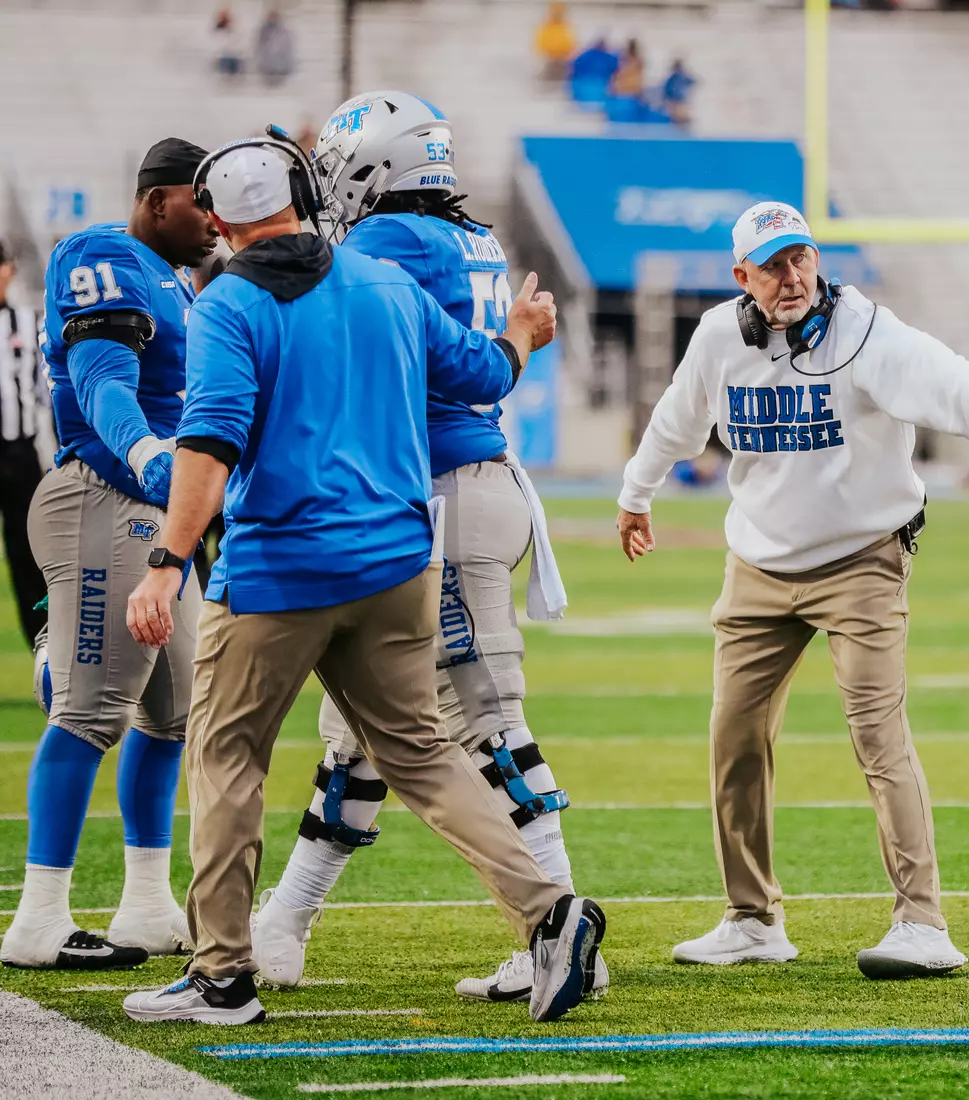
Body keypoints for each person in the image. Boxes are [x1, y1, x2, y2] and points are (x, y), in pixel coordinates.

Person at [117, 131, 602, 1025]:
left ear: (219, 220)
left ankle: (222, 974)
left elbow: (212, 439)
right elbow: (485, 373)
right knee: (423, 755)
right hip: (397, 564)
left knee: (226, 759)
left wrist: (165, 563)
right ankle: (551, 912)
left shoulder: (229, 301)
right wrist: (523, 333)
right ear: (302, 193)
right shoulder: (390, 283)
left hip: (281, 567)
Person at [618, 201, 969, 977]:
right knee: (733, 739)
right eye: (773, 264)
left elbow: (956, 385)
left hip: (861, 561)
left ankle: (923, 924)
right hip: (759, 565)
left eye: (801, 257)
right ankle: (752, 918)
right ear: (742, 277)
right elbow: (677, 416)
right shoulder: (715, 339)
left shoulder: (867, 333)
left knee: (878, 736)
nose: (792, 275)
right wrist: (638, 492)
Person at [254, 90, 602, 1006]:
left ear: (377, 164)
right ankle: (285, 922)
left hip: (446, 493)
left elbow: (325, 316)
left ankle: (563, 931)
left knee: (486, 721)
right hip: (446, 492)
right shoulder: (465, 235)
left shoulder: (390, 244)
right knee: (363, 731)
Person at [0, 140, 218, 973]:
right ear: (159, 200)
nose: (214, 222)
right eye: (202, 205)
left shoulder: (185, 284)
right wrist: (148, 456)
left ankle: (145, 902)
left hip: (160, 518)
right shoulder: (103, 255)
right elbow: (101, 379)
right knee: (90, 714)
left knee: (171, 717)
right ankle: (39, 919)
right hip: (106, 493)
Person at [0, 240, 50, 645]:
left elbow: (47, 393)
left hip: (20, 452)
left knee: (30, 554)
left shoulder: (26, 323)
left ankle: (45, 647)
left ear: (10, 270)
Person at [535, 3, 576, 82]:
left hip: (563, 61)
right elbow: (540, 45)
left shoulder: (566, 27)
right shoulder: (546, 28)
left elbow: (572, 44)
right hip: (550, 62)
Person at [255, 8, 295, 84]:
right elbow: (260, 47)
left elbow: (287, 46)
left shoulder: (284, 31)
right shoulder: (263, 31)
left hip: (280, 64)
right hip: (268, 64)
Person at [661, 59, 696, 126]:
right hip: (676, 101)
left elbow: (693, 82)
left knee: (681, 118)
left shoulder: (680, 76)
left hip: (679, 101)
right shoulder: (674, 77)